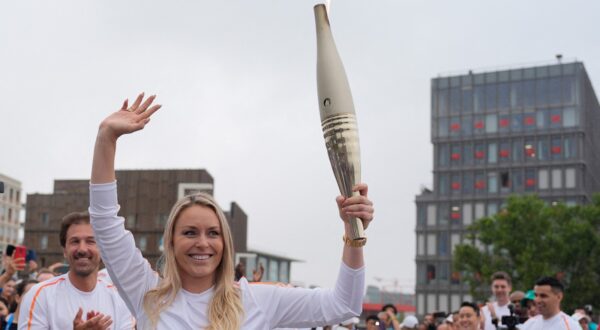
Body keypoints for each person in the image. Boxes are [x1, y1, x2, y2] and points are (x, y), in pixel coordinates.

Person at [88, 93, 374, 329]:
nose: (203, 242)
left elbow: (343, 305)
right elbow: (105, 223)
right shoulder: (147, 294)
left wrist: (353, 234)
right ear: (171, 242)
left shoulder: (256, 300)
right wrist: (106, 139)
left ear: (225, 242)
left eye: (213, 233)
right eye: (189, 232)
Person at [18, 211, 135, 329]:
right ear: (65, 250)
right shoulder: (39, 295)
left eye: (90, 241)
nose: (82, 249)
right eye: (75, 241)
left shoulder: (120, 299)